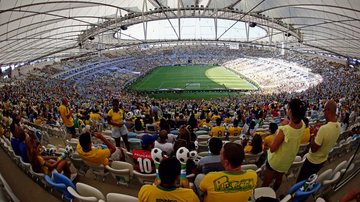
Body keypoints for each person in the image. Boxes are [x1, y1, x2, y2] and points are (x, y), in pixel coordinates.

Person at [261, 98, 306, 191]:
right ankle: (274, 191)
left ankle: (262, 196)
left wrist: (281, 127)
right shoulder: (303, 124)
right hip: (287, 160)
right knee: (279, 178)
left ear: (290, 111)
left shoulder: (284, 130)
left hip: (275, 161)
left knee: (266, 181)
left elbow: (273, 148)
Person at [296, 100, 341, 182]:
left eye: (324, 110)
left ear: (328, 110)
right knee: (309, 179)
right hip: (322, 160)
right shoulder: (338, 125)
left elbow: (313, 149)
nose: (323, 112)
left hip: (312, 161)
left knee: (301, 181)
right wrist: (320, 125)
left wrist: (313, 134)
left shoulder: (324, 129)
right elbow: (329, 126)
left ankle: (295, 194)